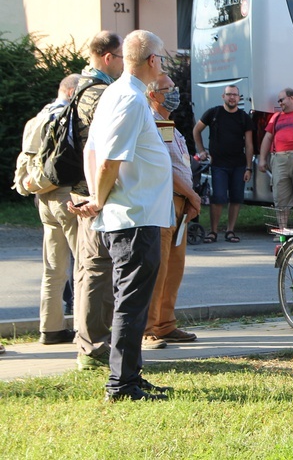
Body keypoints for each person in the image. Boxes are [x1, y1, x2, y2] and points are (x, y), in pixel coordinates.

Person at [71, 30, 173, 401]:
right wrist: (97, 199)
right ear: (151, 61)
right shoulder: (129, 99)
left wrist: (97, 198)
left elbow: (94, 151)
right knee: (131, 306)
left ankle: (130, 376)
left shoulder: (122, 94)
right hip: (134, 218)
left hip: (134, 215)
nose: (163, 64)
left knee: (133, 303)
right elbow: (111, 158)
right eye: (162, 57)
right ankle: (122, 384)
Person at [69, 31, 124, 371]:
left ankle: (89, 341)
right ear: (108, 57)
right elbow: (105, 148)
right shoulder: (101, 94)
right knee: (97, 269)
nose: (122, 63)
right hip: (92, 190)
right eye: (120, 57)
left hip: (81, 187)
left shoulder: (78, 87)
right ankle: (92, 348)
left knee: (87, 267)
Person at [142, 74, 201, 349]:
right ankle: (148, 329)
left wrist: (188, 196)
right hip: (165, 202)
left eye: (175, 88)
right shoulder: (150, 124)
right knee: (158, 267)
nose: (175, 93)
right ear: (153, 95)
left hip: (180, 203)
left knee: (174, 267)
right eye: (168, 90)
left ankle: (165, 324)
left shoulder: (169, 126)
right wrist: (191, 194)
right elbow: (163, 168)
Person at [24, 74, 81, 344]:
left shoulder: (39, 116)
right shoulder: (69, 115)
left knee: (53, 269)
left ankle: (51, 328)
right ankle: (86, 330)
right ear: (71, 92)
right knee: (84, 265)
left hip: (43, 195)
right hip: (68, 194)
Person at [193, 84, 254, 244]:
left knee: (236, 199)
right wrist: (201, 151)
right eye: (229, 94)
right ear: (223, 96)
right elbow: (196, 130)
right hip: (218, 164)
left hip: (239, 165)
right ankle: (213, 232)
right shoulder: (214, 113)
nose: (232, 97)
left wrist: (249, 167)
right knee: (218, 198)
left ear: (239, 98)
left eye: (235, 95)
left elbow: (249, 145)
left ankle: (230, 231)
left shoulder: (243, 117)